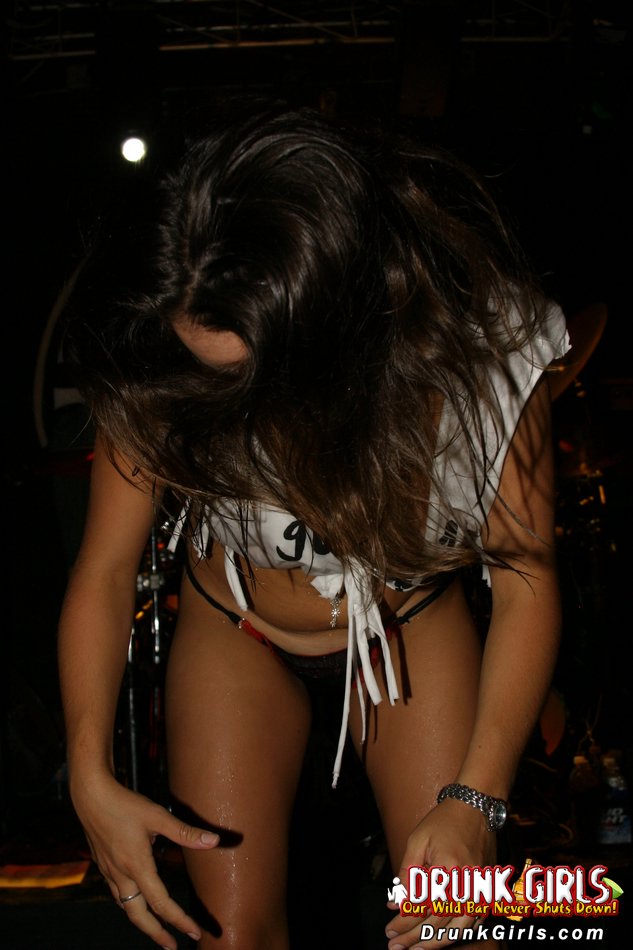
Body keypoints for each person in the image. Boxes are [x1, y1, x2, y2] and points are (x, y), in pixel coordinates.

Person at [57, 102, 569, 950]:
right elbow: (106, 571)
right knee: (231, 938)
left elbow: (526, 578)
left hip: (405, 634)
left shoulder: (481, 346)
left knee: (456, 928)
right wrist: (87, 771)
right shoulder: (167, 333)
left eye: (255, 372)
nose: (234, 402)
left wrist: (476, 802)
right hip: (238, 636)